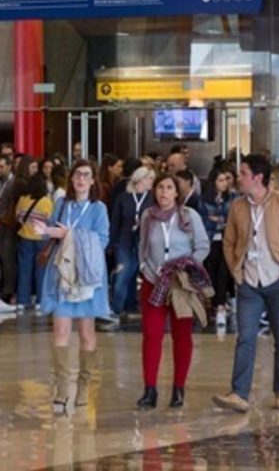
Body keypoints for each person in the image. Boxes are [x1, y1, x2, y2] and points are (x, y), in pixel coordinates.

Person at [212, 154, 279, 413]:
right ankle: (239, 393)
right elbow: (229, 242)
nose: (238, 178)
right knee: (245, 337)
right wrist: (236, 272)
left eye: (243, 173)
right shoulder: (238, 207)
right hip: (249, 282)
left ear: (258, 177)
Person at [33, 161, 110, 413]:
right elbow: (50, 232)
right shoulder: (61, 204)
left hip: (86, 276)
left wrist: (70, 235)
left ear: (93, 180)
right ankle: (63, 387)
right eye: (77, 174)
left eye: (86, 175)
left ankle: (84, 385)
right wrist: (44, 230)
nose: (81, 179)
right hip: (62, 273)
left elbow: (102, 240)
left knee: (87, 331)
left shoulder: (98, 208)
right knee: (60, 329)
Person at [137, 174, 209, 409]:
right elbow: (142, 246)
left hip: (181, 283)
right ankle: (150, 389)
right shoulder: (148, 216)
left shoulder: (189, 215)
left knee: (182, 335)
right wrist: (144, 267)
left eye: (169, 187)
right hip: (154, 280)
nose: (164, 192)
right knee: (152, 335)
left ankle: (178, 388)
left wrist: (187, 266)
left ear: (177, 193)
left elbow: (202, 246)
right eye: (160, 187)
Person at [109, 166, 155, 319]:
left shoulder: (152, 198)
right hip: (124, 241)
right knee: (123, 273)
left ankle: (130, 306)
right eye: (150, 179)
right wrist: (111, 243)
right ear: (141, 179)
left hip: (143, 242)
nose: (152, 182)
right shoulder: (123, 197)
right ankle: (116, 308)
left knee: (134, 274)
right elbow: (115, 221)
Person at [202, 168, 236, 328]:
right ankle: (215, 305)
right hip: (210, 241)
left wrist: (217, 219)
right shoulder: (204, 200)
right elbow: (204, 221)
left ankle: (221, 306)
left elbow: (231, 220)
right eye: (220, 180)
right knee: (212, 273)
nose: (224, 183)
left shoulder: (231, 199)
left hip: (226, 240)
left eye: (226, 180)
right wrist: (219, 220)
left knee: (223, 272)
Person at [15, 174, 53, 311]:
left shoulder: (22, 199)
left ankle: (22, 300)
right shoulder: (46, 202)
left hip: (25, 238)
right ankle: (40, 300)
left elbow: (17, 217)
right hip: (42, 239)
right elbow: (50, 220)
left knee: (24, 270)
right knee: (41, 271)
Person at [0, 155, 18, 312]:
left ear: (9, 166)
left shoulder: (14, 183)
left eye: (1, 166)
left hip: (8, 225)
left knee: (8, 259)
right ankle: (1, 287)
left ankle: (9, 290)